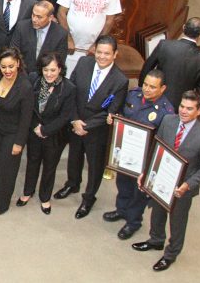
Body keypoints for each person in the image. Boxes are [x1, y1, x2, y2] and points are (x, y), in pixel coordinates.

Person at [132, 90, 200, 272]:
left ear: (199, 111)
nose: (184, 111)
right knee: (157, 212)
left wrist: (188, 185)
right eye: (182, 106)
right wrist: (146, 172)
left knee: (177, 221)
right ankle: (156, 240)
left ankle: (171, 254)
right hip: (162, 178)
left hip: (182, 188)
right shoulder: (168, 121)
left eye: (189, 108)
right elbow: (157, 146)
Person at [55, 35, 128, 219]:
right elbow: (70, 91)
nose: (102, 57)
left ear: (115, 54)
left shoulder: (120, 80)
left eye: (107, 53)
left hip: (97, 131)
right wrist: (74, 119)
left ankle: (89, 198)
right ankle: (72, 184)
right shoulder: (83, 63)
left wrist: (85, 126)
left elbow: (111, 111)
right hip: (75, 122)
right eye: (99, 52)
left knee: (95, 166)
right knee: (74, 156)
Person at [103, 69, 174, 240]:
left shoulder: (166, 112)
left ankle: (133, 222)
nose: (147, 89)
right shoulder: (133, 95)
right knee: (123, 183)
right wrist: (114, 119)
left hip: (146, 160)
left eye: (153, 87)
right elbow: (122, 115)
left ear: (163, 88)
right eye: (145, 85)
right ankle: (121, 210)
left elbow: (164, 143)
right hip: (126, 152)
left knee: (139, 192)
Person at [15, 51, 76, 215]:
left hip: (54, 135)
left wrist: (45, 130)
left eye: (53, 70)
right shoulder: (34, 80)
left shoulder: (69, 88)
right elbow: (27, 106)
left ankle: (45, 197)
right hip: (34, 132)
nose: (49, 74)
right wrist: (36, 127)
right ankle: (28, 192)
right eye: (45, 70)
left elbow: (65, 116)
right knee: (32, 162)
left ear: (60, 69)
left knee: (50, 167)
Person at [0, 47, 33, 214]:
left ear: (18, 63)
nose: (7, 71)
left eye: (11, 66)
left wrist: (19, 143)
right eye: (3, 67)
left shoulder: (25, 87)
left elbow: (26, 118)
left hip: (13, 133)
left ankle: (3, 203)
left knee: (8, 168)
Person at [56, 0, 121, 76]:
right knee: (66, 77)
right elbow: (61, 12)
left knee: (85, 79)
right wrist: (68, 38)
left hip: (92, 49)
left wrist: (97, 44)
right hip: (70, 46)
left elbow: (109, 20)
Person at [138, 17, 200, 109]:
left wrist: (141, 91)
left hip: (155, 98)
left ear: (183, 27)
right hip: (180, 107)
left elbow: (147, 68)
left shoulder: (164, 45)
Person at [9, 0, 68, 74]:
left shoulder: (60, 34)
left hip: (46, 76)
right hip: (22, 74)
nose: (34, 19)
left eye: (39, 17)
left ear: (50, 17)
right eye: (33, 15)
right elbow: (13, 53)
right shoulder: (22, 27)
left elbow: (59, 62)